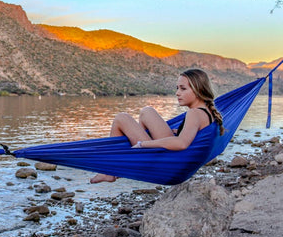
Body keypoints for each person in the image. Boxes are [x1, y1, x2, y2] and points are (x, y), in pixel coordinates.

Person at [90, 68, 224, 183]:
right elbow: (194, 136)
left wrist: (143, 144)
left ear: (198, 90)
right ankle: (133, 159)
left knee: (121, 118)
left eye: (183, 89)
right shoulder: (206, 112)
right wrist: (178, 130)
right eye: (177, 88)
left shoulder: (194, 114)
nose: (177, 93)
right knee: (146, 111)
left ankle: (111, 171)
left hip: (169, 166)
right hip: (178, 163)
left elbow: (182, 143)